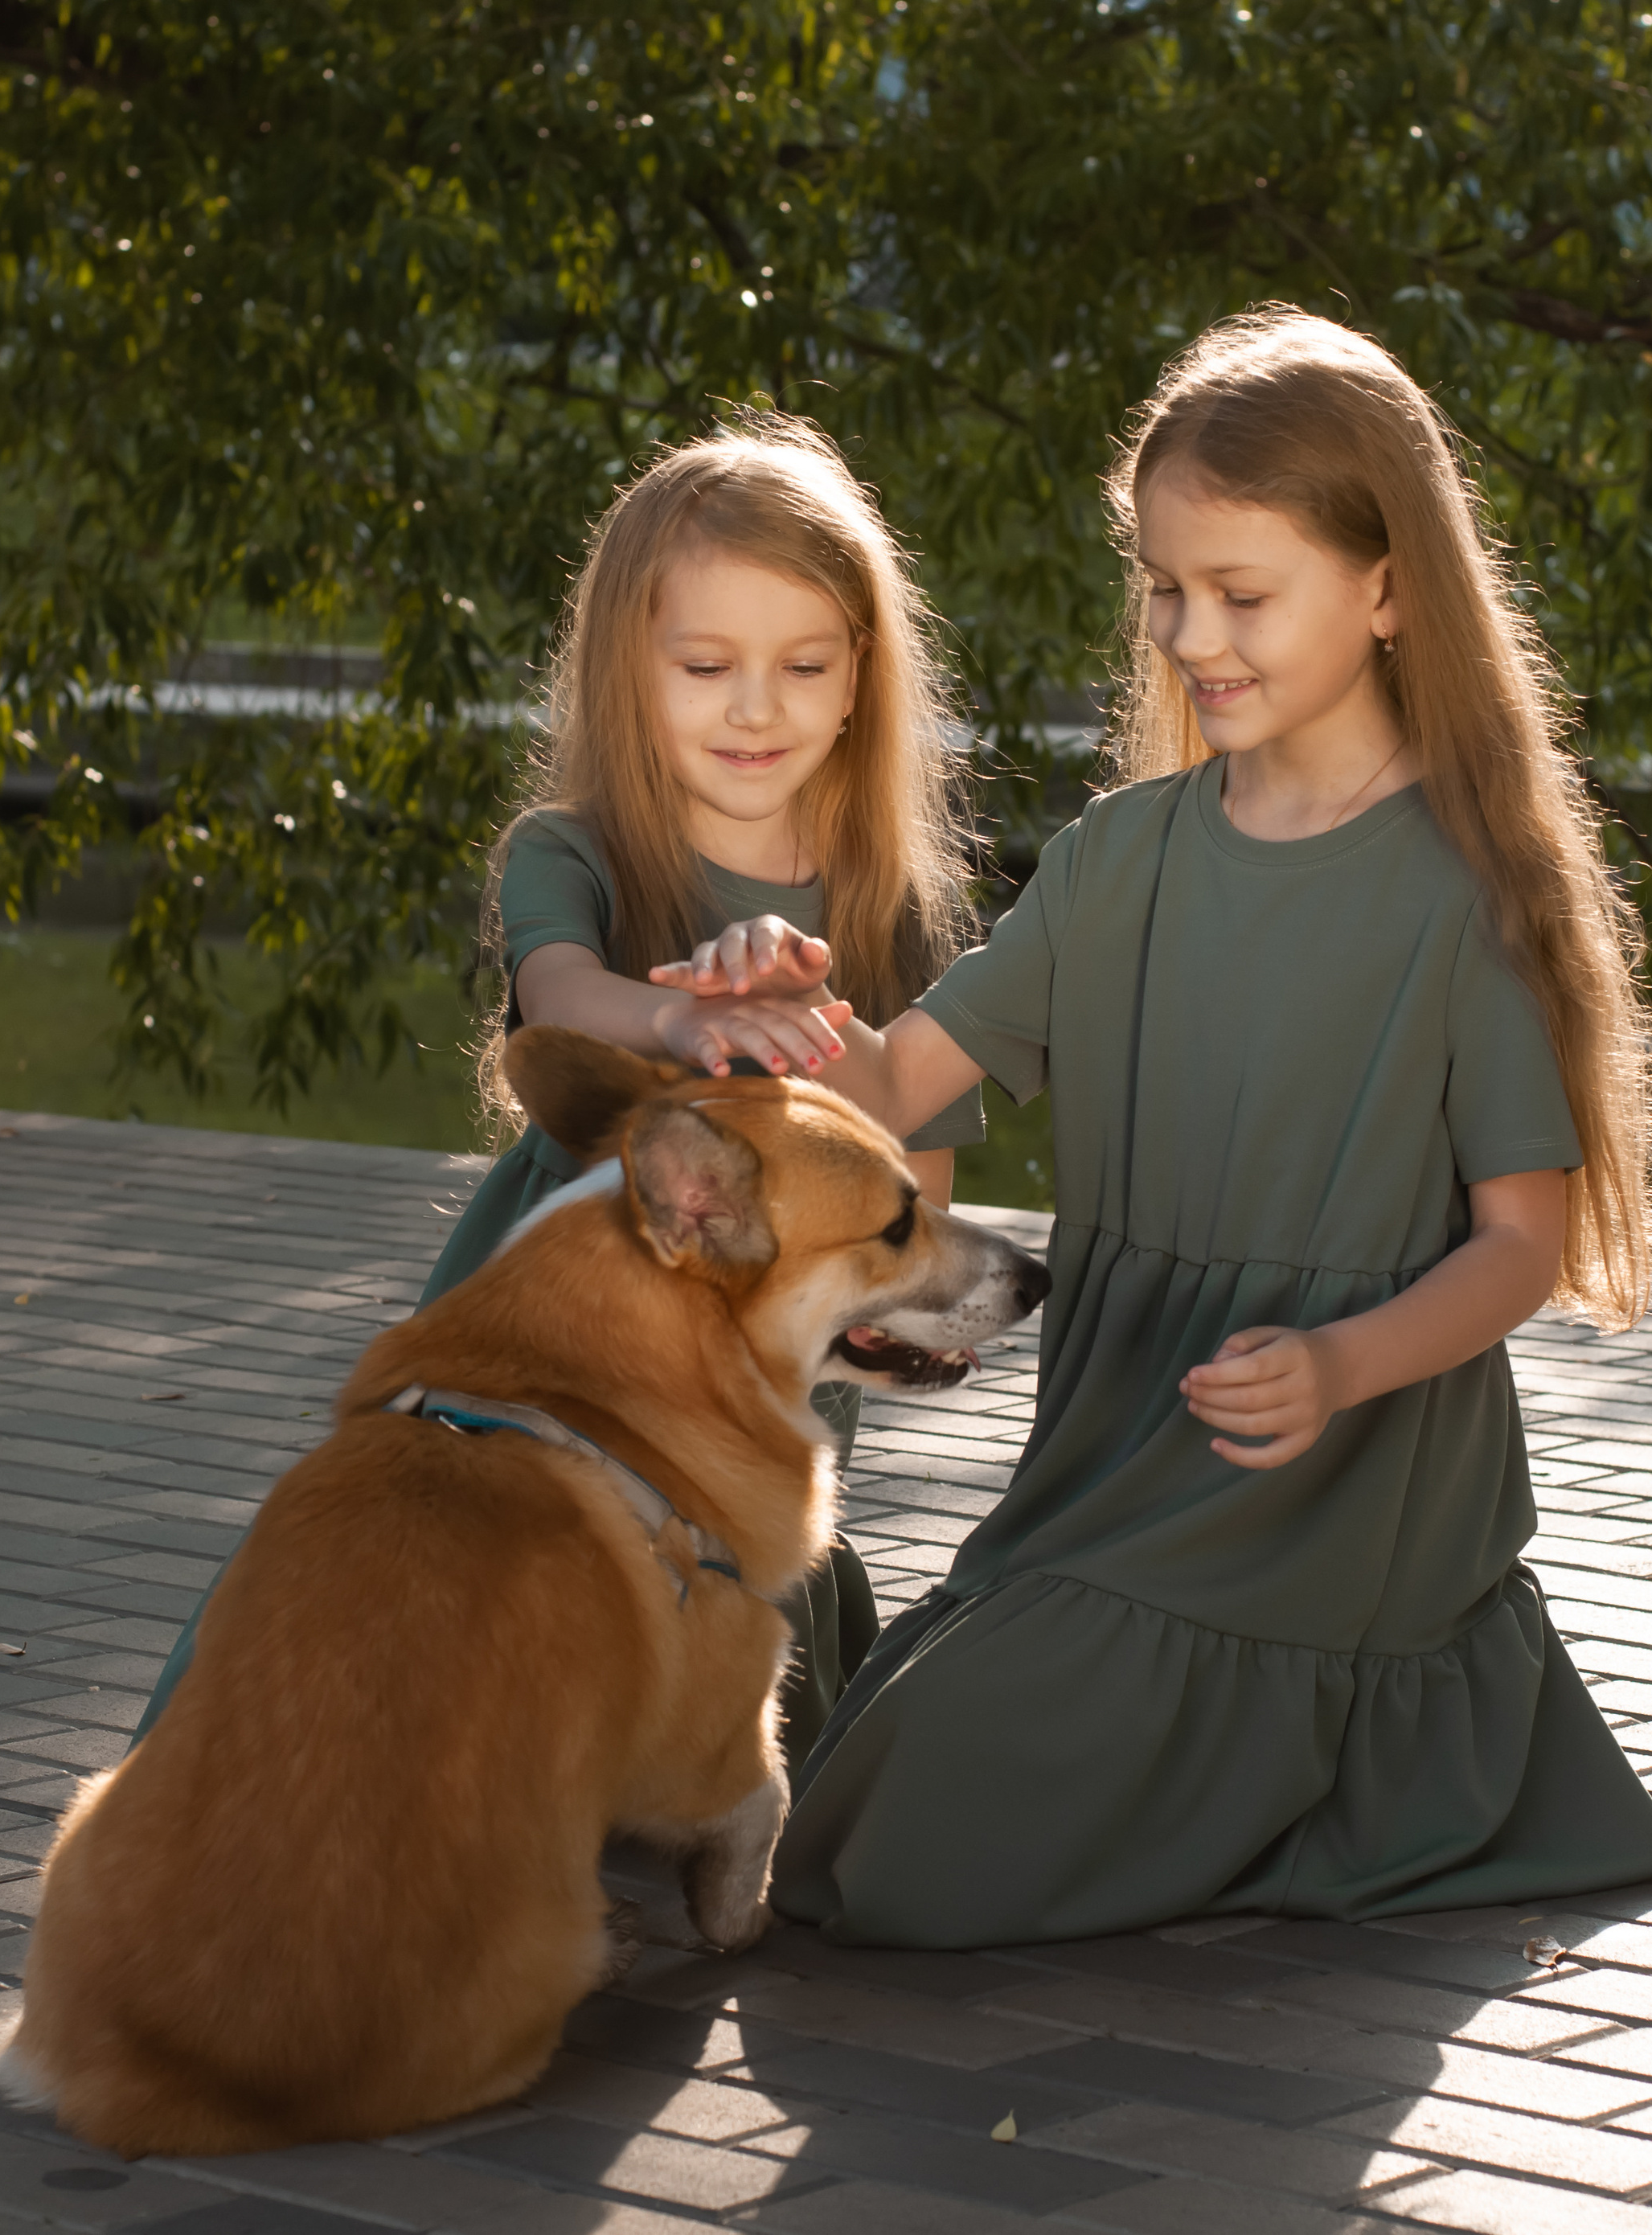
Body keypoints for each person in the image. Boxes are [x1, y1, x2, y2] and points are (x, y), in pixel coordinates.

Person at [656, 309, 1652, 1943]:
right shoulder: (1121, 858)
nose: (1194, 632)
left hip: (1341, 1501)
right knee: (867, 1792)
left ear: (1389, 587)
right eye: (1168, 588)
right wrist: (761, 1020)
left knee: (898, 1847)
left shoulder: (1462, 900)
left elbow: (1521, 1249)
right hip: (1114, 1463)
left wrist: (1334, 1367)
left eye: (1242, 592)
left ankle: (1343, 1764)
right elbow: (897, 1077)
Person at [133, 414, 983, 1766]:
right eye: (704, 665)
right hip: (565, 1347)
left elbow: (918, 1189)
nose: (753, 706)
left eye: (800, 664)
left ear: (856, 678)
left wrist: (819, 1022)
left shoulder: (882, 912)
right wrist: (685, 1012)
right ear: (624, 669)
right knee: (457, 1592)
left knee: (718, 1659)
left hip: (761, 1375)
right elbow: (559, 995)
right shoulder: (567, 849)